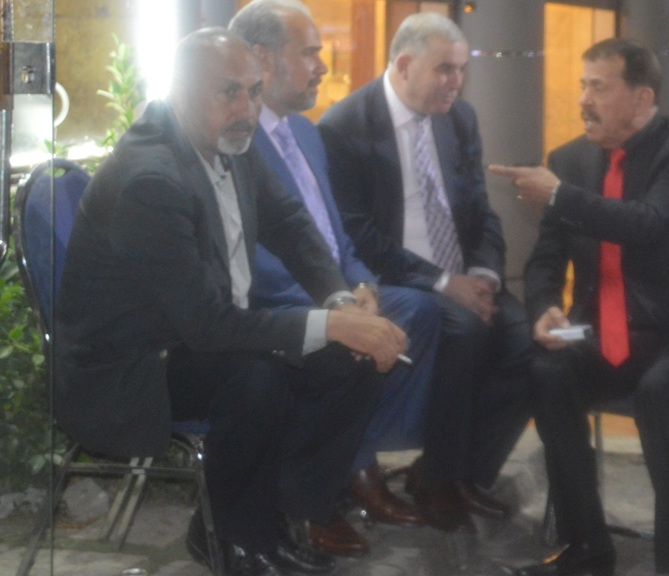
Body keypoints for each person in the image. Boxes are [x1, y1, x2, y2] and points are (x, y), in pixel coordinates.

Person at [53, 29, 408, 576]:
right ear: (180, 91)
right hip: (129, 367)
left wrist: (340, 302)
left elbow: (291, 224)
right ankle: (234, 540)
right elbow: (208, 326)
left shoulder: (230, 139)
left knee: (349, 365)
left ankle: (271, 518)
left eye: (255, 91)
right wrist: (333, 324)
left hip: (195, 336)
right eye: (228, 92)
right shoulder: (150, 180)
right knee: (257, 378)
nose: (247, 109)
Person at [490, 38, 669, 576]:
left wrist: (560, 195)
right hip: (601, 333)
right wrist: (544, 307)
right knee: (547, 372)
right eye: (582, 86)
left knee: (658, 391)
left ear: (641, 98)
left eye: (599, 88)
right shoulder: (568, 159)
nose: (583, 100)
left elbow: (647, 223)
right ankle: (586, 547)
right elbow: (545, 259)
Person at [229, 0, 441, 556]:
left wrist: (361, 287)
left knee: (424, 313)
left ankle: (355, 463)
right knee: (356, 346)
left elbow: (335, 238)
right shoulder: (236, 140)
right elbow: (253, 261)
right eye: (309, 54)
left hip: (334, 288)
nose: (323, 67)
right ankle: (334, 481)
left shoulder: (305, 133)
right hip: (278, 302)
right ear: (263, 59)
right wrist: (337, 310)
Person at [318, 12, 533, 532]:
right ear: (404, 65)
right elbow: (358, 234)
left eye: (461, 70)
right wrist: (442, 283)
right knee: (463, 330)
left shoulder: (459, 119)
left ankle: (462, 471)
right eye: (444, 69)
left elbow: (480, 210)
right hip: (397, 280)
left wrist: (483, 274)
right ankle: (441, 477)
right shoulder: (345, 126)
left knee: (528, 346)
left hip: (464, 275)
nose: (455, 82)